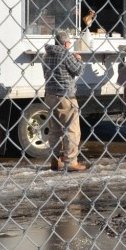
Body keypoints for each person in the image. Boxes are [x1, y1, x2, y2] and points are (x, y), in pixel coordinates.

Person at [42, 30, 87, 172]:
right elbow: (78, 71)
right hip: (66, 96)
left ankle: (54, 160)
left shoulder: (46, 55)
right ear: (66, 43)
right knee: (72, 129)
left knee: (55, 130)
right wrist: (79, 59)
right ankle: (70, 161)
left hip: (49, 94)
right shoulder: (65, 54)